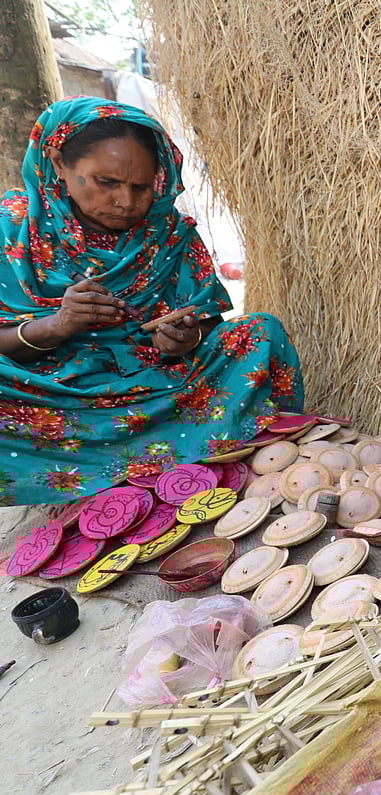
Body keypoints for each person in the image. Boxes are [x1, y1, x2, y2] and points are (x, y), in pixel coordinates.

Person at [0, 96, 303, 505]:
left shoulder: (169, 232)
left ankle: (166, 453)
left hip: (158, 389)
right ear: (57, 163)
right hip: (53, 398)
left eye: (141, 186)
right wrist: (56, 326)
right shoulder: (13, 227)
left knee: (260, 332)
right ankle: (152, 457)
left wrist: (186, 339)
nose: (126, 201)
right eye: (106, 182)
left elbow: (207, 320)